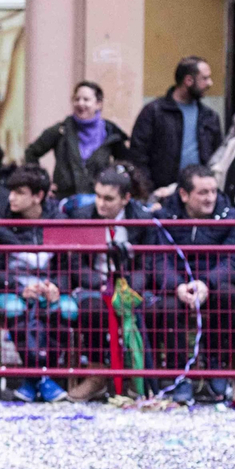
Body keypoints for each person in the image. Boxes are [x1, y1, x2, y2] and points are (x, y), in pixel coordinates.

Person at [145, 166, 235, 404]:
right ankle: (178, 373)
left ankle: (214, 363)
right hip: (177, 284)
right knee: (167, 306)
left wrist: (207, 283)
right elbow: (158, 258)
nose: (210, 197)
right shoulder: (163, 218)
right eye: (202, 192)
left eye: (213, 191)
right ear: (184, 194)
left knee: (228, 295)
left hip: (212, 282)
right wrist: (176, 286)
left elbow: (234, 260)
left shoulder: (231, 215)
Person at [60, 164, 156, 401]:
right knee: (91, 309)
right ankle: (97, 374)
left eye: (109, 198)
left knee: (151, 308)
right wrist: (100, 283)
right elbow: (75, 263)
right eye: (98, 196)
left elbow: (150, 263)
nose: (101, 203)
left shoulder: (143, 219)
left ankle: (140, 378)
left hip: (131, 286)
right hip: (94, 285)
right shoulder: (82, 216)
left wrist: (131, 287)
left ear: (126, 199)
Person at [0, 165, 73, 403]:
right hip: (13, 290)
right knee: (15, 309)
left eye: (19, 192)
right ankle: (43, 377)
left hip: (50, 291)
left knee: (64, 310)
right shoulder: (1, 223)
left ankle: (32, 379)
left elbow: (70, 267)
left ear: (38, 196)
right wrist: (19, 289)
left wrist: (57, 287)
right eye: (11, 191)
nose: (11, 197)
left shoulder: (60, 222)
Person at [130, 56, 223, 196]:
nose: (210, 83)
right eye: (205, 78)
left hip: (199, 196)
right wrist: (148, 192)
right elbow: (138, 156)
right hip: (161, 194)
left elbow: (217, 157)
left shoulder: (209, 116)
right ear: (188, 81)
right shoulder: (154, 112)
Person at [23, 81, 130, 199]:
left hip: (98, 204)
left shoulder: (111, 133)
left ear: (98, 104)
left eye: (86, 99)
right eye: (77, 99)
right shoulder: (61, 130)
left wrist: (114, 189)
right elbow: (31, 153)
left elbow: (126, 165)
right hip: (65, 202)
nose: (80, 103)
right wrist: (41, 183)